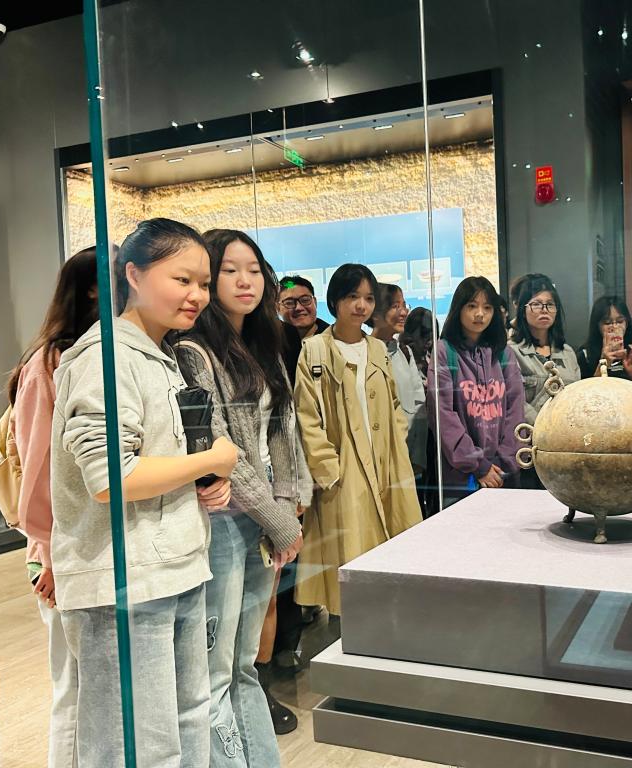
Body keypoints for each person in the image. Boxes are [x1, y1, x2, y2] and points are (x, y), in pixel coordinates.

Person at [51, 219, 239, 768]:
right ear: (132, 275)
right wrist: (212, 460)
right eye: (182, 279)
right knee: (131, 743)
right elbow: (112, 479)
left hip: (175, 567)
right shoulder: (103, 357)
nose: (197, 295)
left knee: (187, 720)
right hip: (123, 580)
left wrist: (205, 481)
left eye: (203, 283)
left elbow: (158, 461)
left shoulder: (162, 355)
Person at [175, 229, 309, 755]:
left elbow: (284, 433)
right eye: (229, 270)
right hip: (223, 521)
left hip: (264, 518)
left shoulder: (264, 343)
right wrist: (280, 520)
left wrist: (288, 504)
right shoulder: (193, 351)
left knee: (244, 664)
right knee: (215, 671)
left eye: (253, 270)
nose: (244, 281)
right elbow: (222, 448)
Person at [8, 246, 97, 768]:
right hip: (61, 553)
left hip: (88, 546)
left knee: (95, 688)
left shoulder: (100, 354)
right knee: (74, 689)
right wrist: (50, 554)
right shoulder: (49, 364)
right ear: (92, 289)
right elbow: (38, 469)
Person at [293, 264, 421, 616]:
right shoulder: (315, 350)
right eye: (352, 296)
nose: (361, 305)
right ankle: (355, 628)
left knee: (393, 547)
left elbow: (393, 404)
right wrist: (329, 470)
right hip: (345, 469)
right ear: (335, 300)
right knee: (350, 554)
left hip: (387, 465)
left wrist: (396, 444)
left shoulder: (377, 349)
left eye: (367, 298)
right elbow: (307, 416)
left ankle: (390, 623)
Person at [427, 276, 525, 506]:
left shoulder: (504, 354)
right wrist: (479, 465)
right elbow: (443, 415)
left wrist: (501, 464)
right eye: (472, 306)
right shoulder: (444, 352)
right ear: (458, 309)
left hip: (503, 475)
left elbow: (516, 411)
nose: (480, 314)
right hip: (461, 478)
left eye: (487, 307)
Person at [510, 275, 580, 489]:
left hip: (567, 446)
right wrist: (547, 428)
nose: (544, 310)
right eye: (536, 304)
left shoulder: (567, 352)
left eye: (550, 304)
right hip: (531, 446)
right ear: (522, 309)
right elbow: (515, 401)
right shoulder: (511, 351)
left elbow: (577, 396)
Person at [368, 283, 427, 477]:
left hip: (406, 459)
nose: (403, 312)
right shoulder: (362, 353)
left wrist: (418, 457)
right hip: (376, 463)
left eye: (404, 305)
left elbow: (419, 406)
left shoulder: (405, 351)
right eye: (395, 306)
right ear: (376, 313)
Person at [399, 306, 439, 517]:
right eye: (424, 335)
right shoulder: (403, 355)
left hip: (434, 434)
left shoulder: (435, 357)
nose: (429, 341)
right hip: (411, 435)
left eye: (432, 334)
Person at [577, 296, 632, 380]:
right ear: (597, 326)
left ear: (626, 323)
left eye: (620, 321)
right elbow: (582, 388)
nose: (615, 327)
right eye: (607, 322)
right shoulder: (585, 356)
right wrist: (603, 364)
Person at [279, 275, 329, 381]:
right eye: (289, 303)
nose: (299, 308)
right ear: (277, 308)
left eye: (305, 300)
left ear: (315, 302)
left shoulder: (334, 339)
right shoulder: (269, 345)